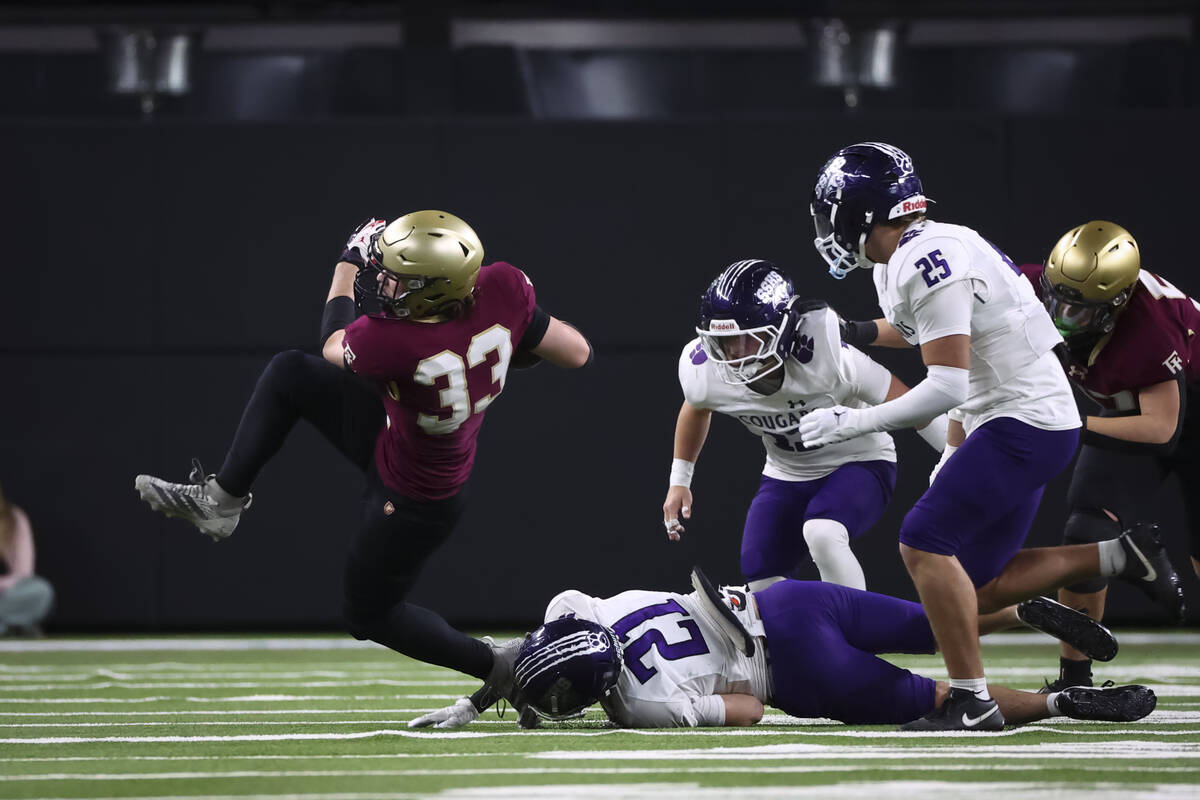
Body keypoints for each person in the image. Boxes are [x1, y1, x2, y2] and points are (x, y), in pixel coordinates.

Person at [135, 211, 592, 710]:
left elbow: (334, 339)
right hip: (399, 439)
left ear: (434, 289)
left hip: (414, 494)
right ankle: (221, 501)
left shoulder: (393, 341)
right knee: (290, 373)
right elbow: (576, 352)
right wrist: (515, 328)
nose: (384, 283)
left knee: (368, 615)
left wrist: (349, 258)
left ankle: (499, 667)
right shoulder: (504, 285)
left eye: (397, 277)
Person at [800, 142, 1184, 731]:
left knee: (922, 542)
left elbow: (947, 385)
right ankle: (1118, 556)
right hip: (1016, 416)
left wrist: (850, 422)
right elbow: (933, 334)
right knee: (975, 585)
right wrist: (854, 333)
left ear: (862, 212)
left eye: (833, 211)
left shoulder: (923, 260)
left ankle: (971, 701)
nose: (827, 226)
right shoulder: (913, 253)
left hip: (1020, 419)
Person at [409, 569, 1152, 731]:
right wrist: (483, 692)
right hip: (782, 598)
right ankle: (1023, 613)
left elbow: (750, 709)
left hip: (792, 668)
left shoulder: (638, 703)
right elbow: (538, 646)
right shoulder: (579, 607)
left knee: (945, 703)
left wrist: (610, 714)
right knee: (936, 625)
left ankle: (1062, 702)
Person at [663, 259, 948, 591]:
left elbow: (910, 404)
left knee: (823, 532)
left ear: (783, 330)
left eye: (749, 340)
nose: (735, 356)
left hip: (859, 462)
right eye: (725, 343)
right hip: (786, 472)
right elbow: (696, 407)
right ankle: (802, 640)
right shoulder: (707, 373)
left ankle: (855, 634)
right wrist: (679, 480)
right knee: (760, 575)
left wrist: (958, 454)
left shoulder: (828, 360)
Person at [1018, 221, 1200, 692]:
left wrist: (1070, 422)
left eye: (1077, 310)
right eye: (1055, 299)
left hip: (1179, 412)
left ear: (1115, 305)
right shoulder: (1030, 285)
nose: (1059, 316)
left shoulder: (1149, 328)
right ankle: (1073, 679)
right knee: (1087, 535)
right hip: (1127, 406)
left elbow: (1162, 429)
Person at [0, 484, 54, 636]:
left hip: (7, 595)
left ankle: (8, 624)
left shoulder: (15, 518)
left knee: (41, 590)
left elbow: (24, 573)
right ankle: (14, 626)